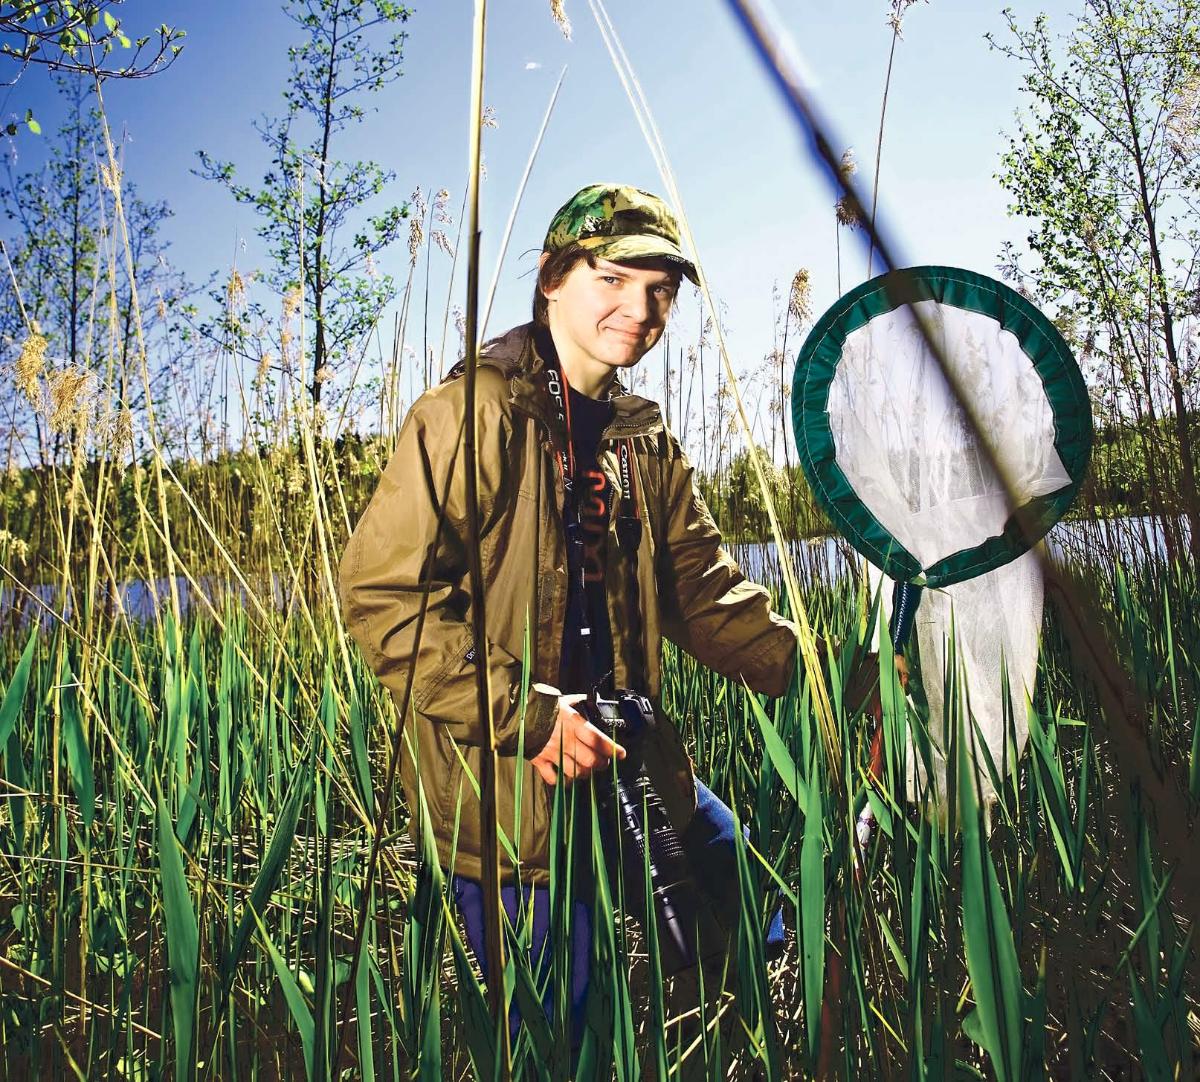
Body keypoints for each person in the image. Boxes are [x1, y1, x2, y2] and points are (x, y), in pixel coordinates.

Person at [337, 183, 800, 1059]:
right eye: (614, 277)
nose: (640, 307)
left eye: (662, 289)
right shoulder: (475, 411)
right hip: (508, 794)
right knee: (564, 1024)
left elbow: (702, 589)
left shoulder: (644, 443)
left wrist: (827, 676)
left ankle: (736, 1046)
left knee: (736, 883)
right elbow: (382, 593)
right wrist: (530, 717)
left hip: (626, 757)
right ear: (552, 278)